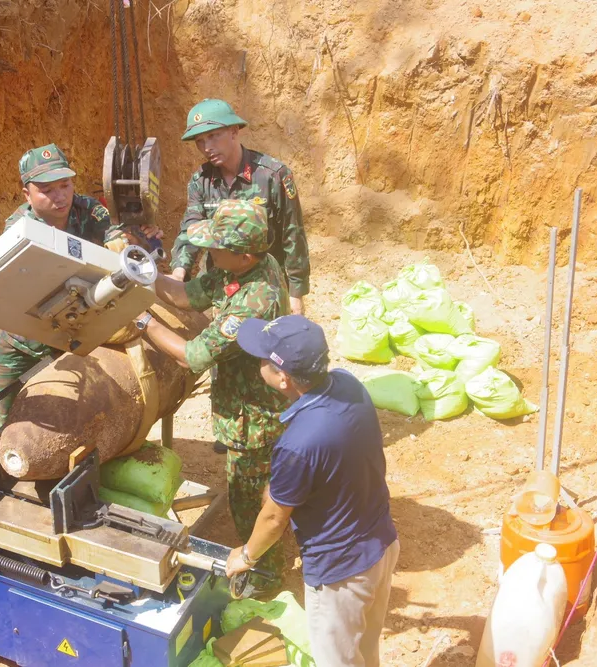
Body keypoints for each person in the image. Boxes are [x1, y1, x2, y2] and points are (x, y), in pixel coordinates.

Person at [224, 314, 400, 667]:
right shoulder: (349, 384)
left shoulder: (298, 444)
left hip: (340, 574)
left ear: (282, 377)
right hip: (382, 543)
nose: (259, 363)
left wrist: (245, 557)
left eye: (263, 359)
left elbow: (274, 519)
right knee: (365, 651)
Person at [133, 199, 290, 590]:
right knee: (256, 486)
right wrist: (145, 276)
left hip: (253, 413)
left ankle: (265, 571)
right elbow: (187, 295)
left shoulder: (255, 300)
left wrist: (143, 323)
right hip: (240, 400)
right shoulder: (240, 268)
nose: (209, 252)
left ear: (245, 254)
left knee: (248, 492)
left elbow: (194, 356)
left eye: (216, 247)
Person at [0, 143, 161, 429]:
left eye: (65, 185)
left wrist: (130, 240)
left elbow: (117, 235)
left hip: (69, 333)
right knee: (0, 422)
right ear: (27, 194)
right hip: (19, 343)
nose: (60, 196)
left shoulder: (86, 209)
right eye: (47, 190)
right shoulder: (19, 230)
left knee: (69, 416)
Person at [170, 98, 310, 316]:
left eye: (213, 136)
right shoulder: (201, 181)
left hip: (265, 286)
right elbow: (191, 227)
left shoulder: (272, 175)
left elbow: (293, 235)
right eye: (199, 141)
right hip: (219, 283)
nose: (207, 147)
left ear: (234, 131)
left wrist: (295, 295)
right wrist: (180, 271)